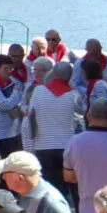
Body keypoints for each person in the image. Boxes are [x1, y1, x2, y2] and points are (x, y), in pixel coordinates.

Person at [25, 60, 80, 196]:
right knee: (72, 186)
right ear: (70, 76)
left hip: (43, 145)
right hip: (66, 146)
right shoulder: (74, 95)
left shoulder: (38, 91)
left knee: (50, 188)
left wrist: (30, 145)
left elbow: (30, 118)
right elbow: (81, 117)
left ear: (53, 73)